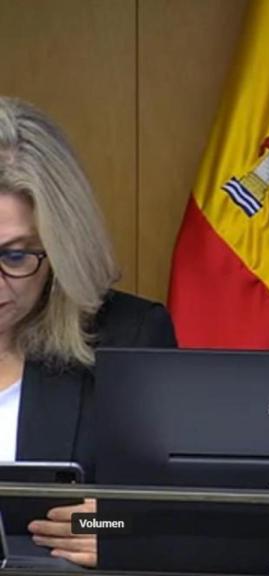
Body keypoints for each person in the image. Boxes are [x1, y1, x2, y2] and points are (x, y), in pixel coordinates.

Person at [0, 96, 177, 567]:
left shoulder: (129, 337)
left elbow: (163, 518)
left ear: (62, 251)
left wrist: (109, 527)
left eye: (15, 256)